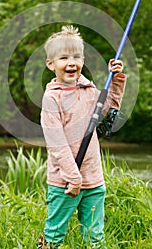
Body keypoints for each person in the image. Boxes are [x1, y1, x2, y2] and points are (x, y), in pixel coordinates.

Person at [38, 25, 126, 248]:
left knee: (95, 238)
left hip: (94, 179)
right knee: (54, 235)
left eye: (77, 57)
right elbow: (56, 144)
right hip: (64, 182)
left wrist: (116, 80)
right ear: (51, 64)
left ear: (83, 60)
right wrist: (73, 177)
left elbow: (107, 108)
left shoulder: (88, 89)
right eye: (64, 57)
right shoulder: (51, 99)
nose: (71, 62)